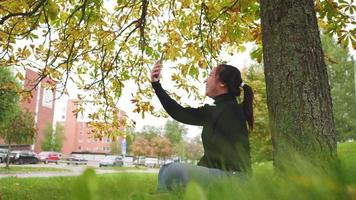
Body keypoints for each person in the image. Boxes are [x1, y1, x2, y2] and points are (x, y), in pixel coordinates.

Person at [150, 62, 254, 191]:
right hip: (221, 174)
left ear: (222, 83)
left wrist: (156, 85)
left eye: (210, 75)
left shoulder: (231, 111)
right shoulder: (216, 110)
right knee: (165, 168)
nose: (206, 79)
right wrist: (156, 85)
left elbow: (180, 113)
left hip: (235, 179)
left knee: (173, 170)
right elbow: (179, 113)